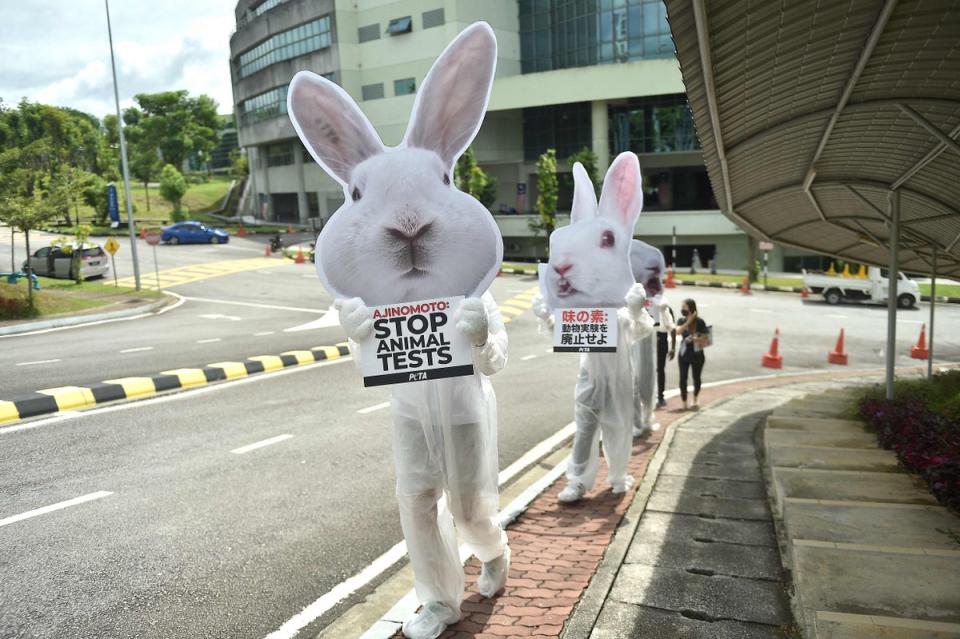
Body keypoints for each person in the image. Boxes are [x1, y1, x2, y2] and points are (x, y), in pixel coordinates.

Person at [675, 298, 707, 410]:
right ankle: (684, 402)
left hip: (697, 354)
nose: (682, 309)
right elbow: (678, 331)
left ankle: (695, 399)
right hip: (684, 354)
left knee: (696, 377)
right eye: (682, 307)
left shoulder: (700, 322)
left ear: (691, 308)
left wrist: (696, 339)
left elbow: (706, 338)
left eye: (684, 307)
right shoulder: (681, 320)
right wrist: (689, 320)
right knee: (683, 377)